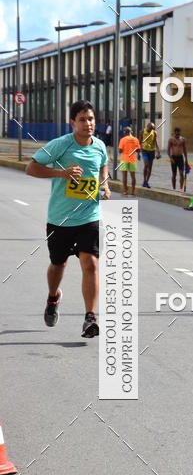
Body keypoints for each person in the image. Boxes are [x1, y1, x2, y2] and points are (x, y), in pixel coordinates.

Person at [25, 100, 110, 338]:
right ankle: (53, 297)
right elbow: (31, 168)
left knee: (91, 263)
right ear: (72, 122)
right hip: (60, 218)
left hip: (89, 215)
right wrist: (61, 173)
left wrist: (105, 184)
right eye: (82, 119)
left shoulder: (100, 146)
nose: (88, 123)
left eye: (91, 119)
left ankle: (90, 318)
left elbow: (104, 165)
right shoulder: (60, 145)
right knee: (58, 265)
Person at [118, 126, 140, 197]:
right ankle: (133, 191)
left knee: (124, 176)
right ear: (131, 132)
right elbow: (139, 150)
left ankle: (125, 191)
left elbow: (120, 150)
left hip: (124, 159)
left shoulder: (123, 139)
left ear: (125, 132)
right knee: (133, 176)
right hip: (133, 159)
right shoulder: (135, 139)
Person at [167, 127, 188, 192]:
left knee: (181, 173)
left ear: (180, 133)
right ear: (174, 133)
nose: (177, 135)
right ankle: (174, 188)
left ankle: (181, 189)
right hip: (174, 157)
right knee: (174, 174)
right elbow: (168, 150)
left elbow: (184, 149)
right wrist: (170, 158)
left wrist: (186, 159)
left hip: (180, 158)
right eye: (176, 134)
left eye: (178, 134)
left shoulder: (182, 139)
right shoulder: (171, 139)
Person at [140, 121, 160, 187]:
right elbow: (140, 142)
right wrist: (138, 153)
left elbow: (156, 143)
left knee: (150, 168)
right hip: (144, 150)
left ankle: (146, 182)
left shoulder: (154, 133)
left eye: (153, 128)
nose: (152, 130)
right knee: (146, 165)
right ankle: (144, 180)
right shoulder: (142, 131)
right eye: (151, 128)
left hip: (151, 151)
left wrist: (158, 152)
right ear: (147, 126)